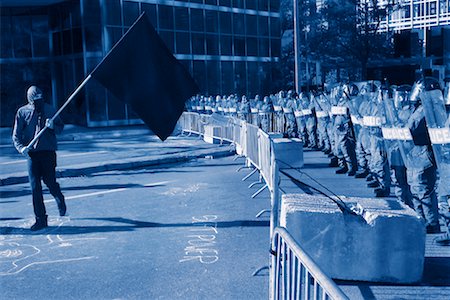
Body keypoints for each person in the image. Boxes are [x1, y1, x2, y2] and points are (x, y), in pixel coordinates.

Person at [12, 85, 66, 231]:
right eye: (35, 101)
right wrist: (21, 148)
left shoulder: (50, 109)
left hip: (48, 152)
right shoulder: (22, 112)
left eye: (40, 99)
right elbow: (16, 135)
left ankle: (58, 196)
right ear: (30, 100)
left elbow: (60, 128)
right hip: (32, 154)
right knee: (35, 187)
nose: (38, 103)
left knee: (49, 181)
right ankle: (41, 219)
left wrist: (53, 125)